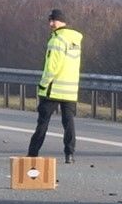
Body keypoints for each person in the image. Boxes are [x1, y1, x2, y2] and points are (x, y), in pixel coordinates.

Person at [27, 9, 82, 162]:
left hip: (53, 89)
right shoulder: (75, 40)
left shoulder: (56, 40)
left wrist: (43, 85)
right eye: (50, 21)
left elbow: (52, 67)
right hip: (70, 90)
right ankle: (69, 154)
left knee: (43, 123)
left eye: (53, 20)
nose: (51, 24)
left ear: (61, 21)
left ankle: (32, 153)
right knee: (68, 122)